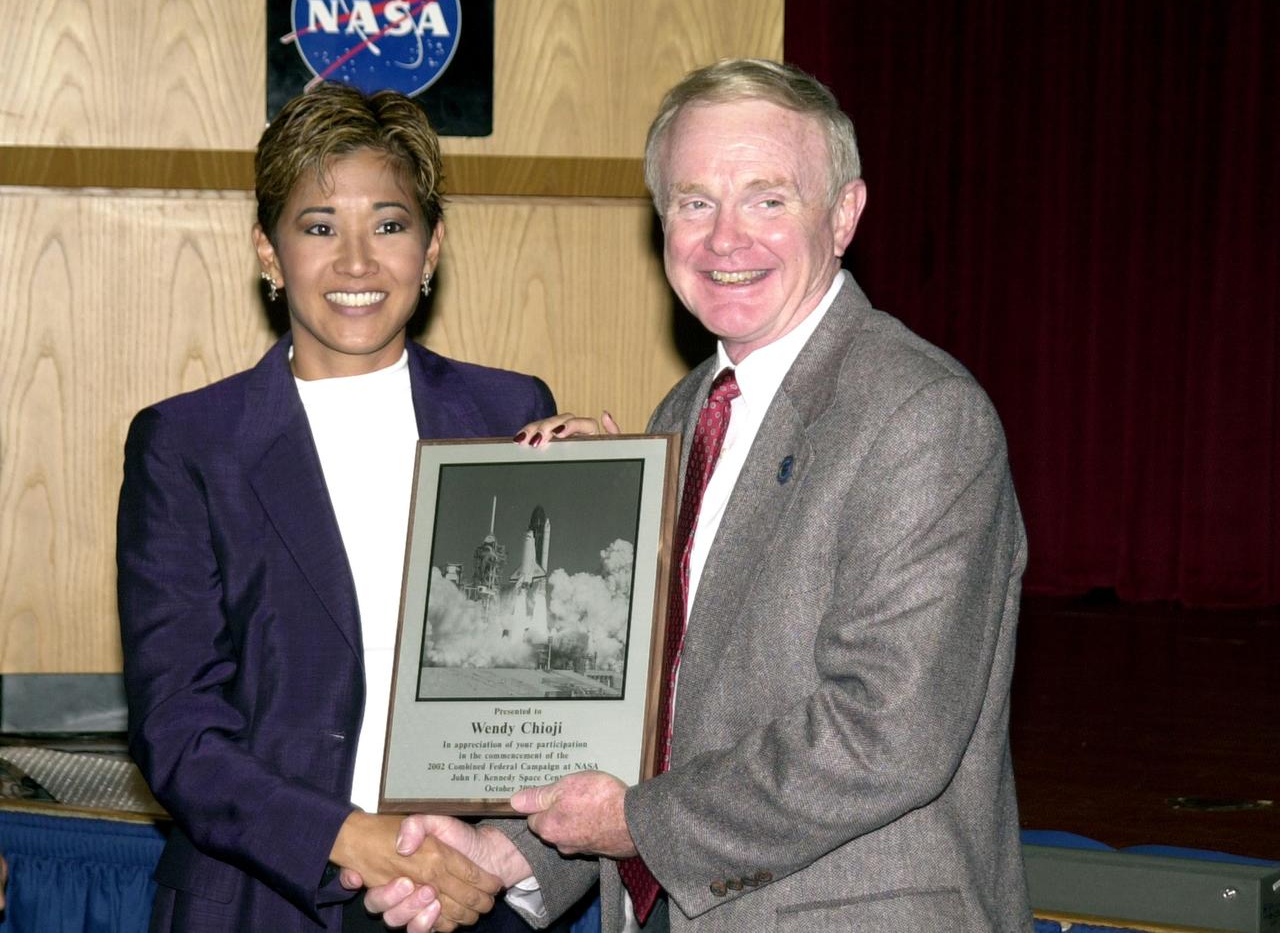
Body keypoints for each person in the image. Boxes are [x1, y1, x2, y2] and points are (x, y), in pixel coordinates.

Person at [360, 58, 1032, 931]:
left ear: (845, 215)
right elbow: (660, 718)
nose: (725, 239)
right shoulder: (682, 415)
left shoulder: (922, 417)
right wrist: (504, 857)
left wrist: (633, 825)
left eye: (768, 198)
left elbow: (884, 736)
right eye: (693, 202)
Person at [116, 84, 558, 932]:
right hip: (259, 903)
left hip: (465, 897)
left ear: (431, 249)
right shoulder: (189, 442)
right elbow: (178, 731)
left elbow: (542, 692)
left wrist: (601, 486)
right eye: (319, 228)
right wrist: (355, 838)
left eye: (390, 226)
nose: (357, 262)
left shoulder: (510, 414)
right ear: (269, 253)